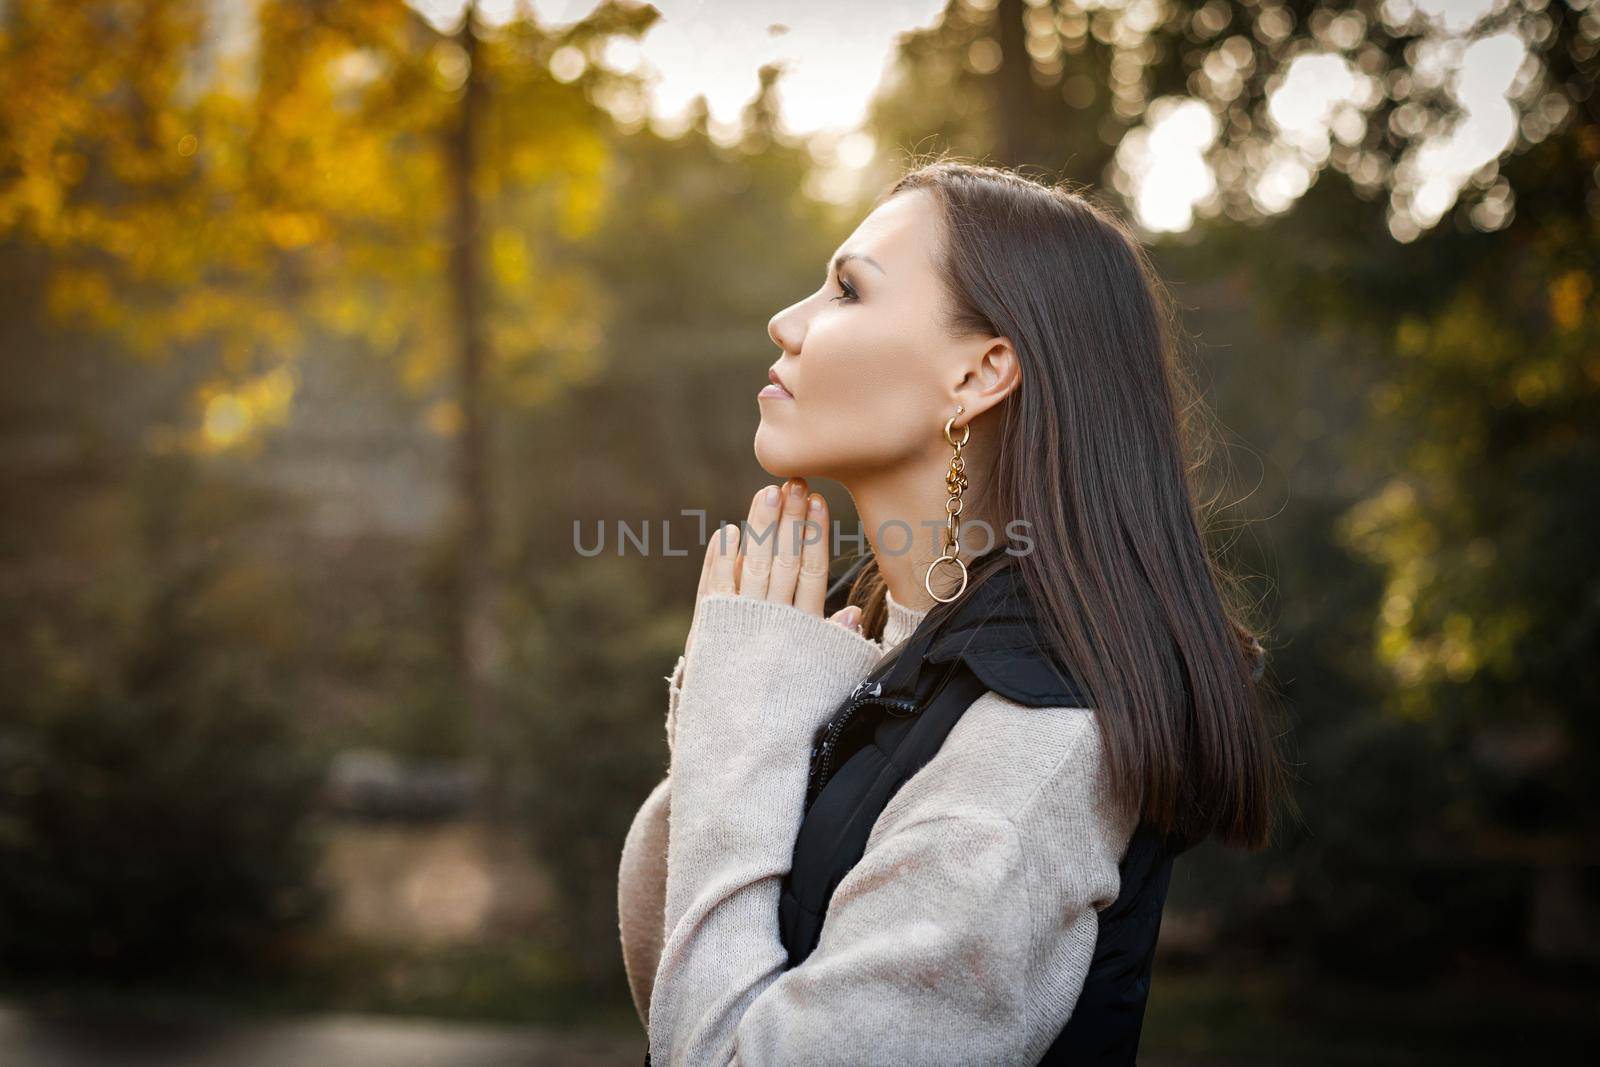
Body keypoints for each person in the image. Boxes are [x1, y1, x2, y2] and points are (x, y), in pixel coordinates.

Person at [617, 160, 1288, 1065]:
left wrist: (740, 725)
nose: (786, 321)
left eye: (848, 290)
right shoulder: (857, 648)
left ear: (979, 372)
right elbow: (679, 985)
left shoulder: (1041, 741)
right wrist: (750, 715)